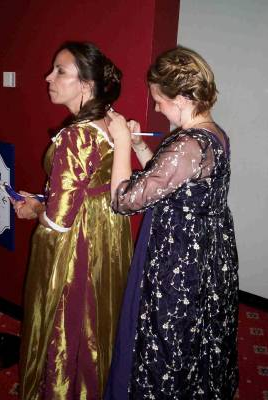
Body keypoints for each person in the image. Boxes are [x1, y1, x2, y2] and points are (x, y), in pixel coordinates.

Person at [104, 46, 239, 399]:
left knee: (168, 346)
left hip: (179, 264)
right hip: (205, 256)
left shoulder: (187, 144)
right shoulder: (212, 134)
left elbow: (123, 200)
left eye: (159, 100)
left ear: (181, 97)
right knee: (196, 342)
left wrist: (119, 144)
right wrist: (137, 146)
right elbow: (171, 184)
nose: (157, 107)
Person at [12, 41, 133, 399]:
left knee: (66, 326)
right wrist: (46, 199)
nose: (48, 77)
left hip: (76, 248)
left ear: (86, 85)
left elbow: (58, 223)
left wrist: (33, 209)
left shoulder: (76, 136)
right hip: (102, 237)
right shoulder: (107, 122)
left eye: (59, 71)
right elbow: (86, 190)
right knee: (93, 326)